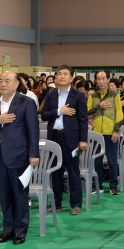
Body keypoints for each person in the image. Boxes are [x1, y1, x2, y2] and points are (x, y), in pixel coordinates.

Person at [0, 71, 39, 245]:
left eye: (7, 81)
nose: (3, 84)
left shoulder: (26, 102)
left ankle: (20, 230)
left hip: (19, 154)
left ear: (16, 83)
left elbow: (32, 130)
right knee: (4, 194)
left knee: (19, 194)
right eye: (1, 81)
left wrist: (33, 154)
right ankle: (8, 230)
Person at [41, 65, 89, 215]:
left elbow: (83, 119)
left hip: (72, 139)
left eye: (65, 74)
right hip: (54, 137)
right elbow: (44, 115)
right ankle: (56, 204)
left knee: (74, 171)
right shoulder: (51, 95)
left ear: (71, 78)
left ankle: (76, 204)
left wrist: (83, 140)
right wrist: (58, 112)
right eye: (59, 74)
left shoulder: (78, 95)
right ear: (56, 78)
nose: (61, 76)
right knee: (56, 172)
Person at [87, 70, 124, 196]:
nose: (101, 81)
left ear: (108, 80)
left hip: (110, 133)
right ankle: (98, 185)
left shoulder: (115, 95)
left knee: (112, 161)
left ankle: (113, 185)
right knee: (97, 161)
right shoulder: (93, 96)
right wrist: (99, 106)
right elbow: (87, 113)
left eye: (103, 78)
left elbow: (119, 114)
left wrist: (116, 130)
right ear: (96, 81)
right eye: (98, 79)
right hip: (96, 134)